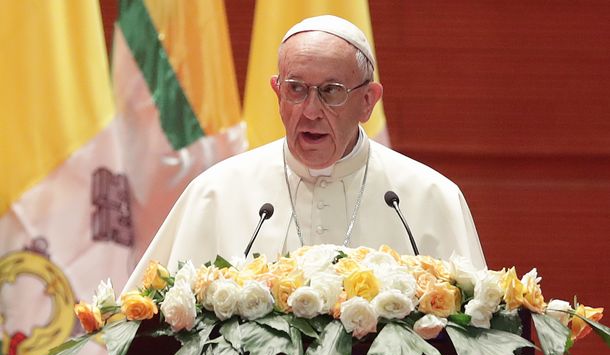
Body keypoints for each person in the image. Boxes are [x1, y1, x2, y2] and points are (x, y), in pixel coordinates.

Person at [123, 15, 485, 291]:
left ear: (367, 101)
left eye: (331, 91)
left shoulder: (428, 197)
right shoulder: (215, 193)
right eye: (296, 89)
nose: (310, 111)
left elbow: (478, 338)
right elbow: (149, 329)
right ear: (277, 92)